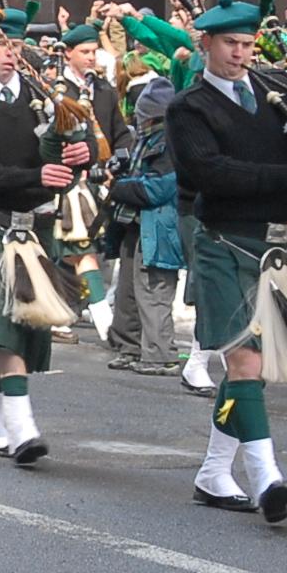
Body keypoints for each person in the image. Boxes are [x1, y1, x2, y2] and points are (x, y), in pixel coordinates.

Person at [164, 0, 287, 522]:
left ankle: (213, 472)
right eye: (230, 45)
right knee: (243, 359)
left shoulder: (278, 95)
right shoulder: (189, 107)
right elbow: (210, 171)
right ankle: (267, 477)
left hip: (276, 247)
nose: (240, 55)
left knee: (255, 368)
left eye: (247, 45)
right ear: (206, 44)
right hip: (225, 241)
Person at [0, 8, 90, 465]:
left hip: (38, 223)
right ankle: (22, 429)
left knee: (26, 326)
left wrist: (79, 155)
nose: (12, 55)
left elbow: (66, 160)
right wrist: (38, 175)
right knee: (4, 326)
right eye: (3, 46)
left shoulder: (40, 97)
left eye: (17, 47)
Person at [105, 75, 183, 376]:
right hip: (135, 225)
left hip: (159, 227)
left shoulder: (171, 142)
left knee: (153, 292)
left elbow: (158, 189)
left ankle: (160, 354)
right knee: (128, 291)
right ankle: (130, 346)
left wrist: (118, 186)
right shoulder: (144, 140)